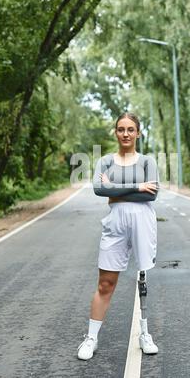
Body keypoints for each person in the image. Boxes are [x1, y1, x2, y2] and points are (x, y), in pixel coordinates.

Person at [77, 112, 159, 361]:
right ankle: (91, 338)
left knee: (142, 278)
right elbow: (99, 189)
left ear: (138, 133)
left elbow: (152, 195)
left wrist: (115, 190)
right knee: (105, 282)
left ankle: (144, 334)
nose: (126, 134)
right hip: (115, 223)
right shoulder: (105, 161)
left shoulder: (147, 161)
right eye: (121, 129)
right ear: (115, 132)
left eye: (130, 129)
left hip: (143, 221)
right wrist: (136, 187)